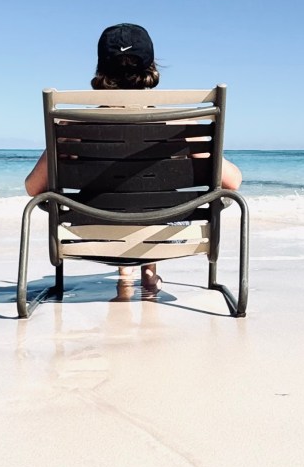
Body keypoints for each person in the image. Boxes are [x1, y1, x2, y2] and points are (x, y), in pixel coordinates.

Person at [24, 23, 242, 297]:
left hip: (94, 234)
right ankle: (148, 272)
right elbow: (233, 181)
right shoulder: (182, 124)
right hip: (164, 237)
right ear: (152, 69)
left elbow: (33, 188)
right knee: (151, 189)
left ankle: (125, 272)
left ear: (100, 71)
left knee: (115, 196)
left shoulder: (71, 125)